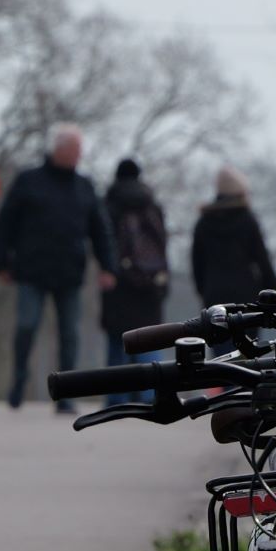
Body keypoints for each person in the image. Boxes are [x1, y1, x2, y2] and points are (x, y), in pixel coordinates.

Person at [0, 126, 112, 411]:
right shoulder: (28, 181)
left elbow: (100, 229)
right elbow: (6, 223)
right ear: (59, 149)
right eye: (75, 149)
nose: (79, 155)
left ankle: (66, 394)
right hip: (31, 270)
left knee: (70, 334)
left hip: (70, 272)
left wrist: (108, 266)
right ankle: (19, 379)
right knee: (26, 325)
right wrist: (0, 262)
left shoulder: (84, 186)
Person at [98, 156, 172, 400]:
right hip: (150, 285)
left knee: (117, 342)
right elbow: (163, 245)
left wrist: (107, 270)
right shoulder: (152, 206)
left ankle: (116, 400)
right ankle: (152, 397)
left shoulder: (109, 205)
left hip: (119, 283)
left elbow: (104, 243)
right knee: (149, 341)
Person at [192, 167, 276, 308]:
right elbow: (262, 259)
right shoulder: (247, 220)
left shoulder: (204, 222)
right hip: (246, 292)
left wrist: (203, 290)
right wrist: (275, 290)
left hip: (214, 293)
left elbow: (197, 262)